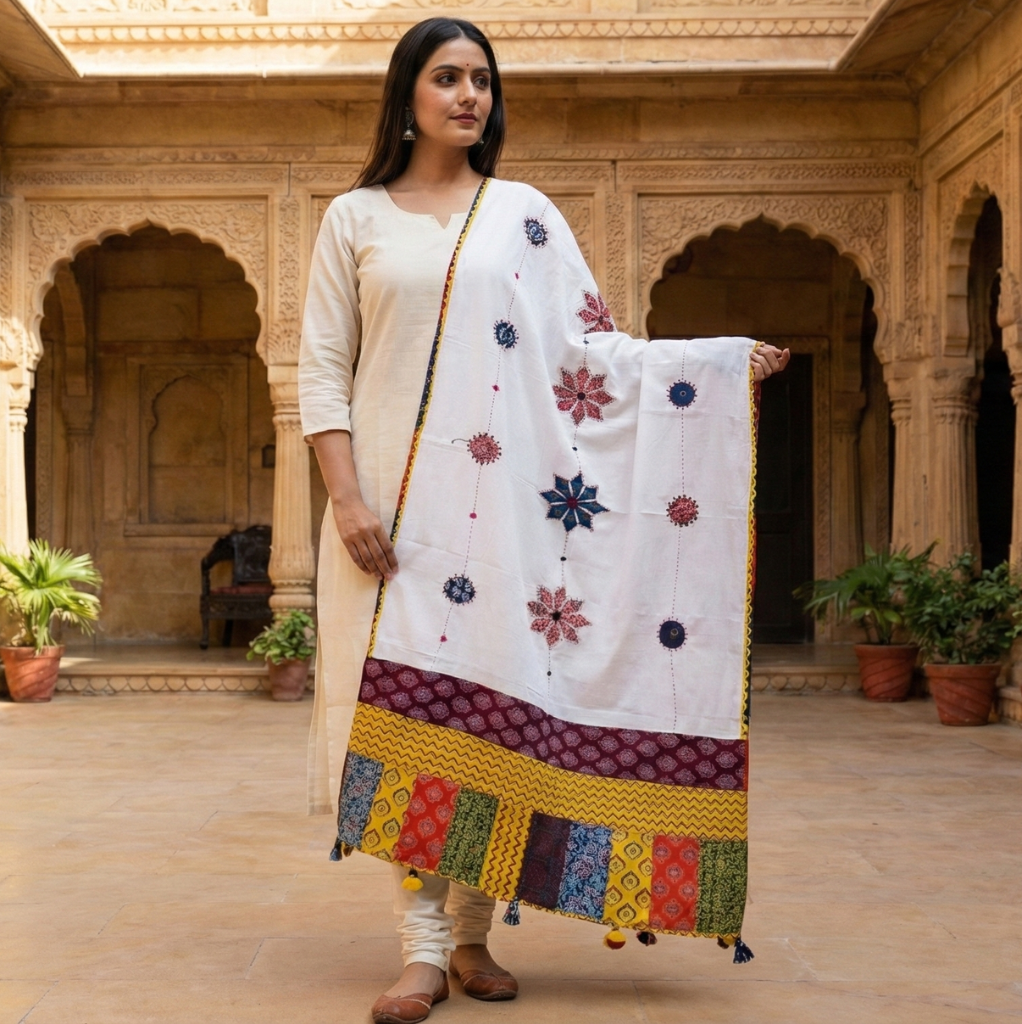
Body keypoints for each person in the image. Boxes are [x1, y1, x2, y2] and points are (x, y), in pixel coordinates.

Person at [299, 17, 790, 1024]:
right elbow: (318, 371)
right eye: (446, 77)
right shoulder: (355, 220)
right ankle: (421, 949)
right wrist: (347, 497)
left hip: (504, 517)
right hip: (386, 515)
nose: (468, 95)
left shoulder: (521, 213)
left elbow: (591, 356)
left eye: (481, 78)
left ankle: (472, 937)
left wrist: (711, 363)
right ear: (408, 95)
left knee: (494, 706)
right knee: (411, 722)